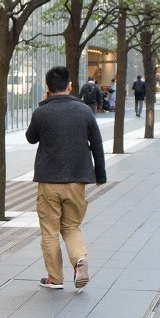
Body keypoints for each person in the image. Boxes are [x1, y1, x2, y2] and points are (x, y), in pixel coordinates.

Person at [26, 65, 107, 292]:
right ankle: (79, 259)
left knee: (50, 231)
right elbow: (97, 144)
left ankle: (55, 278)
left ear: (48, 88)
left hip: (49, 181)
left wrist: (43, 104)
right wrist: (100, 175)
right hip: (76, 180)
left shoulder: (42, 113)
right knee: (71, 226)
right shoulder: (84, 111)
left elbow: (31, 137)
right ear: (70, 86)